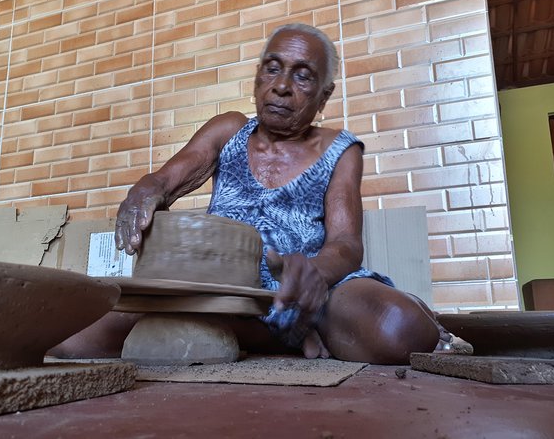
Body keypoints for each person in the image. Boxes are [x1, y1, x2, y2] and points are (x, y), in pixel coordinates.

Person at [110, 23, 443, 365]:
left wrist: (313, 273)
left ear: (324, 96)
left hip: (309, 290)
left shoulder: (339, 149)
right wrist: (147, 189)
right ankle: (276, 336)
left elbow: (346, 244)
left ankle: (280, 327)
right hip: (221, 289)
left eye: (302, 76)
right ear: (257, 77)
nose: (281, 86)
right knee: (78, 336)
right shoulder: (228, 130)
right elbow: (166, 180)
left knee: (401, 331)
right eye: (272, 69)